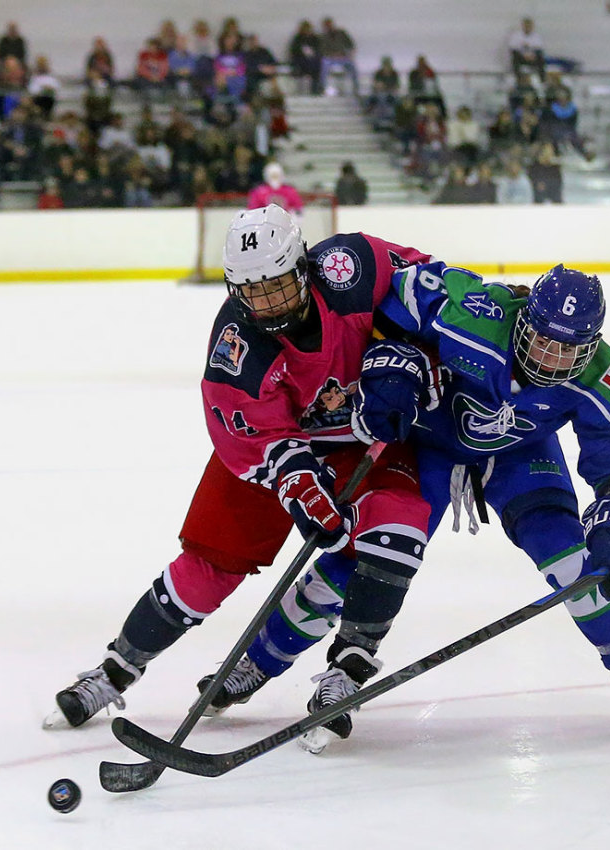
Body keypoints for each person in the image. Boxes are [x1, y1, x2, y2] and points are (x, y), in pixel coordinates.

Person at [204, 262, 610, 751]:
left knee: (573, 561)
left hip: (519, 455)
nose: (550, 359)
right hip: (431, 445)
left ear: (592, 345)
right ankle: (259, 663)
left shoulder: (605, 378)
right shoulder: (474, 312)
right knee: (365, 555)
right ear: (523, 317)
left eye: (568, 349)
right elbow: (397, 299)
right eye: (543, 340)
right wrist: (393, 364)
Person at [44, 204, 435, 730]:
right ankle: (114, 670)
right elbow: (245, 432)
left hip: (363, 442)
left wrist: (474, 318)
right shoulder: (236, 344)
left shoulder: (352, 266)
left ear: (304, 267)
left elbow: (438, 287)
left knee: (396, 528)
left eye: (278, 286)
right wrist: (295, 477)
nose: (269, 303)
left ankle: (347, 669)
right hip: (272, 451)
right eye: (254, 293)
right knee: (210, 566)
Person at [507, 17, 546, 84]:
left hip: (532, 58)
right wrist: (523, 55)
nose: (528, 27)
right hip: (521, 58)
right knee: (514, 58)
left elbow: (539, 49)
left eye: (529, 26)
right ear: (523, 26)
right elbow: (513, 48)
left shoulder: (536, 36)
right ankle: (518, 80)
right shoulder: (516, 35)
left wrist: (532, 56)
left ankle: (542, 80)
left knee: (541, 59)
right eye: (526, 25)